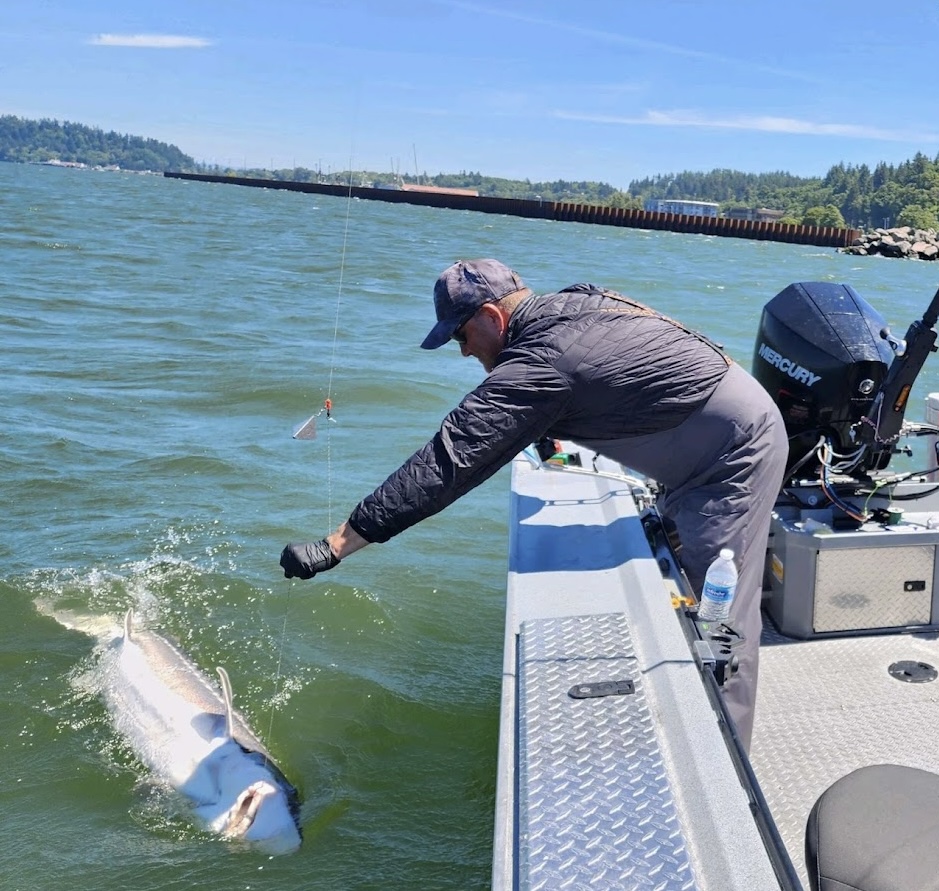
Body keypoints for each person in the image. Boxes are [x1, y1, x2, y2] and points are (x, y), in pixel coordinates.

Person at [281, 258, 788, 749]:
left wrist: (337, 545)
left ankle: (725, 772)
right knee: (695, 579)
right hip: (709, 431)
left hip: (732, 458)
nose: (462, 353)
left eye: (460, 336)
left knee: (722, 626)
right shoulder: (568, 305)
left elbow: (448, 462)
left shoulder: (542, 361)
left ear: (491, 316)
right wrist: (548, 434)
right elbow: (593, 380)